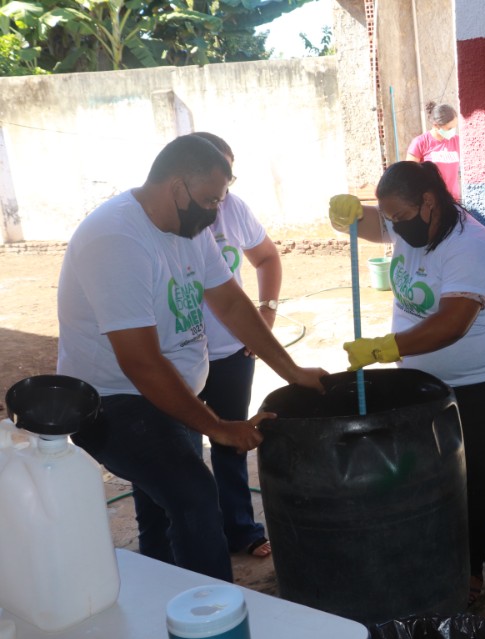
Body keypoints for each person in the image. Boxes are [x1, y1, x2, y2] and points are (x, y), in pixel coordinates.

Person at [57, 135, 327, 582]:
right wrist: (218, 428)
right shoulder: (117, 240)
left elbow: (232, 304)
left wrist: (291, 370)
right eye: (209, 199)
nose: (215, 211)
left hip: (169, 393)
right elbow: (140, 362)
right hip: (113, 401)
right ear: (177, 187)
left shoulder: (189, 228)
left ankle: (163, 590)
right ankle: (215, 616)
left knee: (163, 498)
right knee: (194, 494)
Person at [328, 161, 485, 605]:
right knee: (419, 470)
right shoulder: (408, 225)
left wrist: (383, 348)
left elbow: (452, 323)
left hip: (476, 383)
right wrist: (349, 216)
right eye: (389, 217)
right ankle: (425, 549)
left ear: (428, 203)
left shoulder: (473, 247)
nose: (393, 226)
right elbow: (375, 225)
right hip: (415, 378)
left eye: (399, 216)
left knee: (471, 472)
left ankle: (471, 568)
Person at [187, 131, 282, 559]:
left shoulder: (232, 210)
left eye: (229, 179)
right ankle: (189, 535)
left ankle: (240, 528)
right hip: (179, 360)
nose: (222, 192)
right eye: (216, 180)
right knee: (181, 450)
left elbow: (266, 258)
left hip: (231, 352)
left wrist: (266, 313)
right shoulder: (167, 219)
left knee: (232, 438)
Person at [406, 102, 461, 201]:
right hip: (430, 203)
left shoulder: (457, 141)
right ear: (436, 125)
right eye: (449, 128)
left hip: (453, 201)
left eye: (455, 127)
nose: (453, 131)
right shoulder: (420, 143)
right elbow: (409, 176)